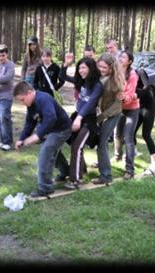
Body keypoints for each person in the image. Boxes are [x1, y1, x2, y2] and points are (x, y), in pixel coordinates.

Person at [14, 81, 72, 197]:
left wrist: (37, 136)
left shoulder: (43, 99)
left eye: (22, 100)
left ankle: (45, 188)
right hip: (51, 130)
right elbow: (30, 123)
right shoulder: (31, 105)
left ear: (29, 93)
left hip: (61, 129)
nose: (22, 103)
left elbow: (51, 118)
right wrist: (22, 138)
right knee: (52, 151)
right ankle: (65, 171)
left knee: (45, 153)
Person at [59, 54, 103, 189]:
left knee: (77, 146)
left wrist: (79, 118)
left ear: (90, 68)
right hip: (78, 116)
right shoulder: (81, 81)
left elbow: (91, 103)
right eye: (79, 68)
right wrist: (66, 64)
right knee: (74, 144)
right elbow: (62, 77)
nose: (80, 71)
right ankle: (81, 170)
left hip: (88, 121)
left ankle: (75, 180)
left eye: (83, 68)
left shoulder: (98, 85)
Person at [90, 53, 124, 184]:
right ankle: (104, 165)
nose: (101, 70)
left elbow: (117, 104)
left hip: (113, 114)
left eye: (104, 67)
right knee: (102, 143)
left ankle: (106, 176)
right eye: (100, 67)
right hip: (104, 113)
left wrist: (102, 116)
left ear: (111, 67)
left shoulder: (115, 81)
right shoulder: (102, 77)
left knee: (101, 143)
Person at [114, 50, 140, 180]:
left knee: (128, 138)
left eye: (123, 57)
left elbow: (130, 95)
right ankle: (117, 156)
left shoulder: (133, 75)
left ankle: (130, 169)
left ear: (129, 61)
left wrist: (123, 98)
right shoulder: (116, 72)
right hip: (119, 109)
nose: (120, 58)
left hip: (131, 109)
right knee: (117, 135)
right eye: (120, 56)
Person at [133, 67, 155, 176]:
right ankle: (133, 152)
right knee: (131, 132)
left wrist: (135, 93)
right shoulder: (125, 76)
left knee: (146, 135)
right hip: (139, 106)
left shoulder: (139, 72)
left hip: (149, 106)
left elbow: (147, 88)